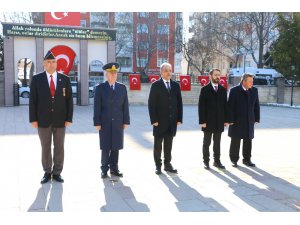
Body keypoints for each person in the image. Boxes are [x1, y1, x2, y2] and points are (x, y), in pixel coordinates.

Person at [29, 50, 73, 184]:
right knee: (45, 147)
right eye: (48, 62)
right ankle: (47, 172)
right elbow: (33, 101)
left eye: (53, 61)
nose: (51, 64)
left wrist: (69, 118)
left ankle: (57, 172)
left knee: (59, 147)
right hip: (43, 120)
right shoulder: (37, 79)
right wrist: (33, 119)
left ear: (56, 63)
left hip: (61, 120)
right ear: (44, 64)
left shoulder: (65, 79)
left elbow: (69, 100)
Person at [93, 62, 130, 179]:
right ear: (106, 75)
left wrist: (126, 121)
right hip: (104, 123)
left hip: (118, 122)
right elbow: (97, 107)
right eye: (111, 73)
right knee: (105, 147)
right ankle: (104, 169)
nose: (114, 75)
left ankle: (114, 168)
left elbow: (125, 106)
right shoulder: (100, 88)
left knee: (116, 146)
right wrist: (97, 123)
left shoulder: (122, 88)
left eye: (115, 73)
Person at [148, 62, 183, 175]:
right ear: (161, 72)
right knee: (158, 145)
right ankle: (158, 165)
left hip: (172, 122)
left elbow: (179, 103)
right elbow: (151, 104)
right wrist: (154, 120)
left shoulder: (176, 85)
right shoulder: (155, 85)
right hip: (159, 122)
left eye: (170, 70)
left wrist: (179, 118)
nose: (169, 72)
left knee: (169, 144)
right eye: (166, 70)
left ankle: (167, 164)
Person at [227, 73, 260, 167]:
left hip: (249, 120)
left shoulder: (254, 90)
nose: (252, 83)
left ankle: (247, 159)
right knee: (235, 141)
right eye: (250, 81)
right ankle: (234, 159)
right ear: (243, 81)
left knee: (248, 140)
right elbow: (230, 106)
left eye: (252, 81)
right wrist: (230, 119)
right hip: (236, 120)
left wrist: (257, 118)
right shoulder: (234, 90)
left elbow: (256, 105)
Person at [198, 68, 228, 170]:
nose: (217, 77)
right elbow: (201, 107)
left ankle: (217, 161)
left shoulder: (223, 90)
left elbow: (225, 106)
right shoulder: (204, 89)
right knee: (206, 143)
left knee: (217, 143)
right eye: (215, 75)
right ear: (210, 76)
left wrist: (226, 120)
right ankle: (206, 161)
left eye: (219, 75)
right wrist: (202, 121)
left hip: (219, 121)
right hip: (208, 121)